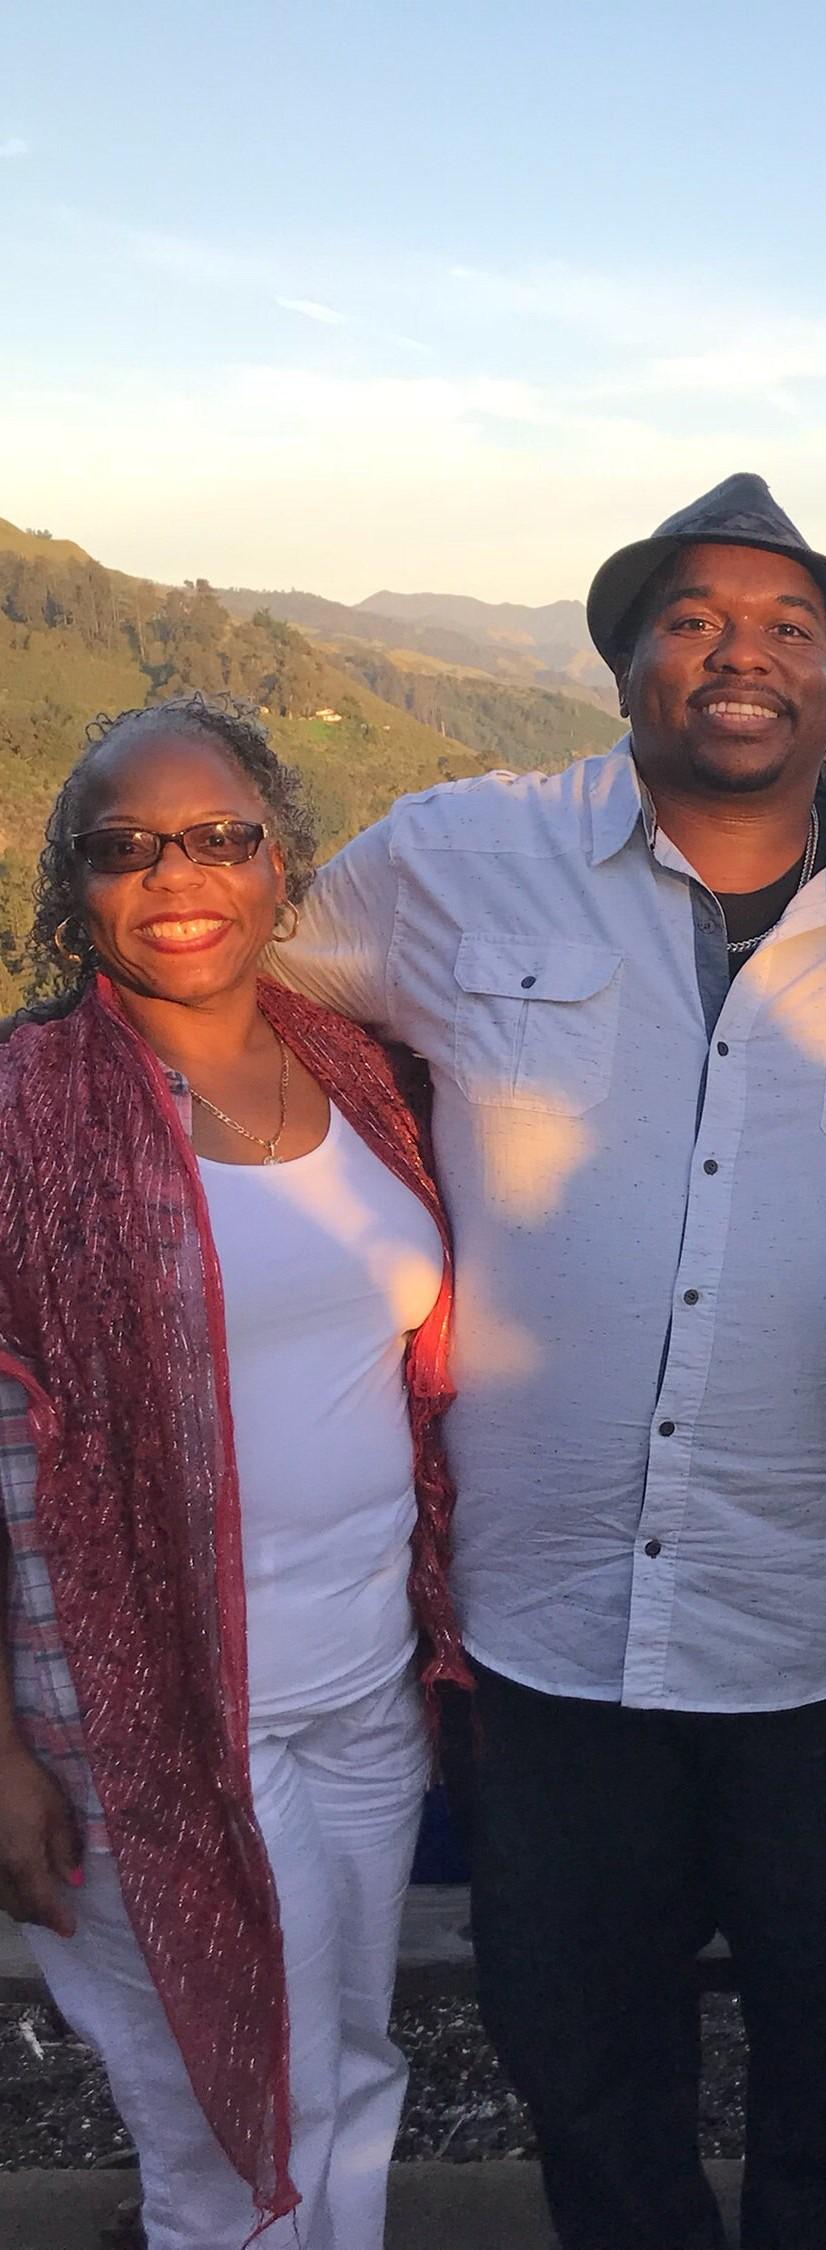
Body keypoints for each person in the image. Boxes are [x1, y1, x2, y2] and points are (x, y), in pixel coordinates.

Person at [275, 475, 826, 2250]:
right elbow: (234, 985)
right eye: (692, 618)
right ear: (620, 665)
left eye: (789, 630)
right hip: (550, 1641)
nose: (741, 655)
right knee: (580, 2053)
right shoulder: (455, 859)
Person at [0, 696, 468, 2250]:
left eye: (220, 835)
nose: (178, 874)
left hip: (361, 1691)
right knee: (219, 2134)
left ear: (282, 860)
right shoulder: (23, 1115)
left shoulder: (363, 1071)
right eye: (126, 847)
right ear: (73, 885)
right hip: (152, 1723)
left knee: (343, 2071)